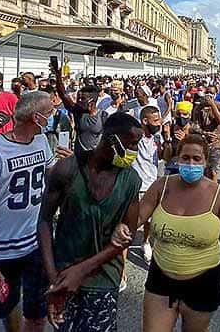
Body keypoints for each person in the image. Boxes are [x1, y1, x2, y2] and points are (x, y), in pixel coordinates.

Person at [110, 133, 220, 332]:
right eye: (185, 158)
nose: (190, 163)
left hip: (204, 283)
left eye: (196, 159)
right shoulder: (162, 186)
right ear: (177, 158)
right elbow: (138, 218)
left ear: (205, 162)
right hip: (161, 279)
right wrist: (122, 227)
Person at [0, 92, 67, 332]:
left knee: (36, 312)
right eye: (49, 113)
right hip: (3, 249)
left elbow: (51, 178)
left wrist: (67, 165)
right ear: (36, 117)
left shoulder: (41, 141)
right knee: (7, 306)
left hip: (36, 245)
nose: (53, 116)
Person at [38, 113, 142, 332]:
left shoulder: (130, 180)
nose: (135, 151)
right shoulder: (68, 169)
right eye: (132, 144)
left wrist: (82, 270)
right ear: (111, 139)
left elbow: (127, 236)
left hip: (103, 280)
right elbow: (44, 220)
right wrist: (53, 279)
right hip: (63, 276)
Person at [132, 105, 168, 264]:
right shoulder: (135, 137)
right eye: (155, 120)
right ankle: (122, 248)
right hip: (136, 185)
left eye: (159, 120)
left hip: (152, 185)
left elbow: (163, 157)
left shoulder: (157, 138)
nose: (158, 123)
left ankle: (145, 242)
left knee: (150, 220)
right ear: (145, 121)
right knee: (131, 220)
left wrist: (166, 144)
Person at [52, 59, 108, 157]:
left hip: (94, 160)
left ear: (92, 101)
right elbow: (64, 95)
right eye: (78, 98)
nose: (79, 101)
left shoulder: (103, 116)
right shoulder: (78, 112)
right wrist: (58, 75)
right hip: (78, 158)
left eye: (82, 99)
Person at [192, 85, 220, 181]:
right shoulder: (198, 108)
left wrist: (212, 105)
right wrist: (204, 133)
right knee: (202, 170)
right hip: (203, 143)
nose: (209, 95)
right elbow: (195, 126)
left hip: (216, 144)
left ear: (215, 94)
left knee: (213, 171)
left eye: (212, 93)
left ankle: (214, 192)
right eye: (208, 93)